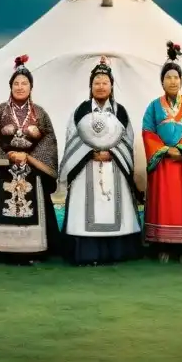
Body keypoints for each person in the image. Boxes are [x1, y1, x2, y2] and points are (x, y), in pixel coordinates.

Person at [0, 54, 61, 265]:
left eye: (25, 83)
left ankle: (33, 250)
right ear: (10, 86)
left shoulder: (40, 113)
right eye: (16, 83)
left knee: (31, 207)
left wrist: (29, 157)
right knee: (2, 206)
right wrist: (4, 157)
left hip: (32, 167)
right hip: (3, 166)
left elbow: (49, 139)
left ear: (31, 87)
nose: (20, 87)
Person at [58, 56, 143, 265]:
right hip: (86, 166)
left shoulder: (120, 111)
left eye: (105, 83)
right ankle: (88, 253)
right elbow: (72, 137)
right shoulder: (81, 110)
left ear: (112, 86)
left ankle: (116, 252)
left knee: (115, 208)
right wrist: (90, 153)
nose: (101, 87)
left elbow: (127, 139)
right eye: (97, 83)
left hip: (113, 166)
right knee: (85, 210)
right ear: (90, 86)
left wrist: (112, 153)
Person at [141, 41, 182, 263]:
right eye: (168, 77)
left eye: (176, 77)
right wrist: (164, 150)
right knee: (162, 202)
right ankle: (161, 244)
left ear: (181, 81)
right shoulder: (153, 106)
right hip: (161, 163)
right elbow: (147, 132)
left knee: (181, 202)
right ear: (162, 82)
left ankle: (181, 245)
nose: (172, 81)